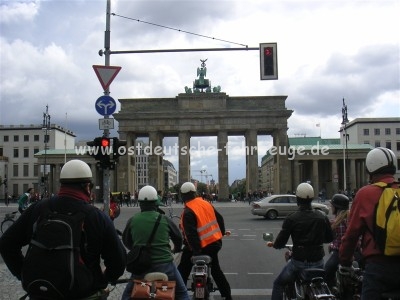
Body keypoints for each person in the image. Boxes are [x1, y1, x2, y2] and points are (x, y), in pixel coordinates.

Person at [0, 159, 127, 299]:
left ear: (62, 184)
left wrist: (23, 273)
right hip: (82, 293)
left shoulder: (38, 208)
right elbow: (118, 261)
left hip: (42, 293)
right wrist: (102, 279)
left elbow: (7, 243)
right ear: (87, 186)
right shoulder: (96, 216)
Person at [339, 147, 400, 299]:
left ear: (370, 168)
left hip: (379, 267)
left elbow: (352, 234)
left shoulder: (366, 193)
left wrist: (345, 260)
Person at [121, 185, 189, 300]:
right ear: (156, 204)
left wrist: (137, 249)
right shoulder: (164, 219)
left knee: (127, 295)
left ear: (140, 203)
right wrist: (176, 249)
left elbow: (126, 241)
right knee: (182, 293)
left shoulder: (133, 220)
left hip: (141, 267)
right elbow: (178, 238)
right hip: (165, 265)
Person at [268, 182, 333, 300]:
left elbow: (281, 242)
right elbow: (329, 238)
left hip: (299, 262)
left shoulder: (292, 218)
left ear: (297, 199)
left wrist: (276, 245)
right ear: (312, 198)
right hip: (318, 261)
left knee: (278, 284)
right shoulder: (322, 216)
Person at [177, 182, 232, 300]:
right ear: (194, 193)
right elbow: (220, 219)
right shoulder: (206, 203)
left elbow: (190, 235)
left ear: (182, 196)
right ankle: (227, 296)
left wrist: (196, 251)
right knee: (216, 271)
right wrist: (220, 234)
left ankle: (179, 294)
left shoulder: (188, 211)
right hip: (214, 244)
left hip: (199, 247)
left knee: (183, 269)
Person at [324, 193, 351, 290]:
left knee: (326, 272)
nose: (331, 207)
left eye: (332, 205)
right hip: (354, 251)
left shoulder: (339, 221)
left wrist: (331, 245)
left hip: (340, 252)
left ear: (337, 207)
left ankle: (332, 291)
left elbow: (338, 240)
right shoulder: (350, 217)